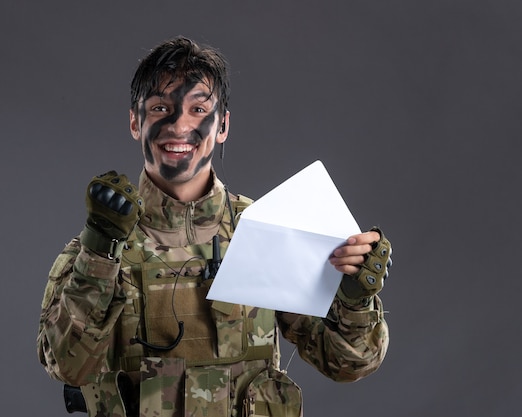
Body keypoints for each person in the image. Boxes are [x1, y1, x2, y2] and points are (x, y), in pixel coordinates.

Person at [37, 36, 392, 417]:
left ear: (222, 125)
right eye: (160, 108)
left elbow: (348, 364)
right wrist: (100, 252)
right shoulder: (103, 242)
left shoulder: (267, 232)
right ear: (135, 123)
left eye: (198, 109)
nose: (179, 126)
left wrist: (355, 301)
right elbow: (65, 365)